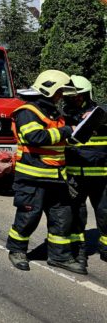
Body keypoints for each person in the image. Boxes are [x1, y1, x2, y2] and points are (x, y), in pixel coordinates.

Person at [6, 70, 87, 274]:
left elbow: (60, 141)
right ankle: (17, 251)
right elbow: (35, 137)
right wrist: (66, 131)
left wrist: (80, 128)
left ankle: (59, 257)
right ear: (48, 89)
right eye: (59, 91)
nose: (61, 96)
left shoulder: (55, 115)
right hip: (32, 178)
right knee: (28, 217)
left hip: (57, 179)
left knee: (62, 218)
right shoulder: (28, 111)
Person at [63, 75, 107, 266]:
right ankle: (78, 250)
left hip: (101, 176)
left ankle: (105, 248)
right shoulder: (63, 117)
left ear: (87, 94)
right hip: (75, 177)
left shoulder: (100, 114)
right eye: (71, 96)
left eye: (79, 96)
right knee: (76, 215)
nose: (75, 99)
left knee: (105, 213)